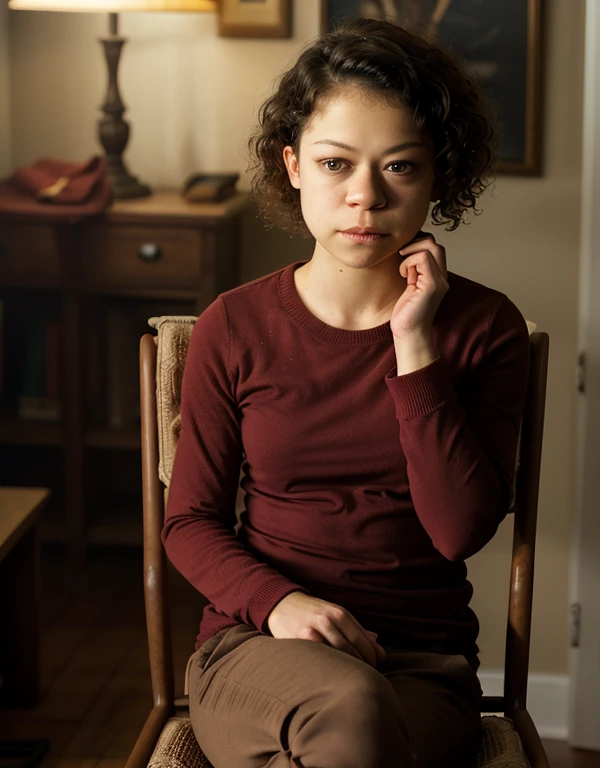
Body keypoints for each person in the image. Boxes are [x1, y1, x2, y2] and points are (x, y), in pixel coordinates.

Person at [163, 16, 530, 768]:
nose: (365, 196)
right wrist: (279, 604)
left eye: (400, 168)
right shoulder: (233, 325)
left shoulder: (484, 327)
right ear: (293, 165)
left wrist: (415, 346)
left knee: (358, 725)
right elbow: (190, 522)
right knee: (350, 716)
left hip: (420, 666)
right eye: (336, 165)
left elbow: (459, 532)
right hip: (257, 648)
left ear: (438, 178)